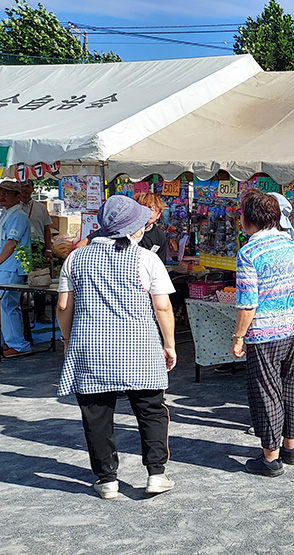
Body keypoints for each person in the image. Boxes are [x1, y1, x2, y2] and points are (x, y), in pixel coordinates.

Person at [55, 195, 177, 499]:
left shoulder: (76, 258)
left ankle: (107, 479)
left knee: (96, 415)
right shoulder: (147, 259)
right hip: (140, 347)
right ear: (132, 228)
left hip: (90, 348)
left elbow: (62, 306)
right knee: (150, 410)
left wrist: (69, 339)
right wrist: (170, 344)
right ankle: (156, 474)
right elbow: (162, 307)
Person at [231, 189, 294, 478]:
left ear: (249, 219)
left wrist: (239, 336)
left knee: (266, 391)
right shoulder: (293, 246)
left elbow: (247, 302)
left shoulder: (248, 253)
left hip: (265, 333)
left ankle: (270, 458)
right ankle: (293, 447)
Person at [0, 181, 33, 357]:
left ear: (17, 196)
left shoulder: (18, 216)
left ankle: (19, 345)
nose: (2, 196)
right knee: (5, 306)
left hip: (11, 267)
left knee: (8, 305)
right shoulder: (6, 214)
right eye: (1, 192)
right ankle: (10, 340)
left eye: (7, 193)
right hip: (6, 266)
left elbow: (11, 244)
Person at [19, 180, 54, 324]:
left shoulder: (40, 207)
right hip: (19, 247)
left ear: (33, 189)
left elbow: (47, 230)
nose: (24, 189)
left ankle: (40, 313)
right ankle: (20, 311)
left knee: (40, 281)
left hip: (37, 246)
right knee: (19, 281)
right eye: (21, 186)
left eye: (27, 186)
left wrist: (48, 249)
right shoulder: (13, 208)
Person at [134, 193, 168, 264]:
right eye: (143, 208)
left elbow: (160, 264)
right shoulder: (127, 231)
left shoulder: (159, 237)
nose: (146, 213)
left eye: (150, 210)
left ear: (158, 214)